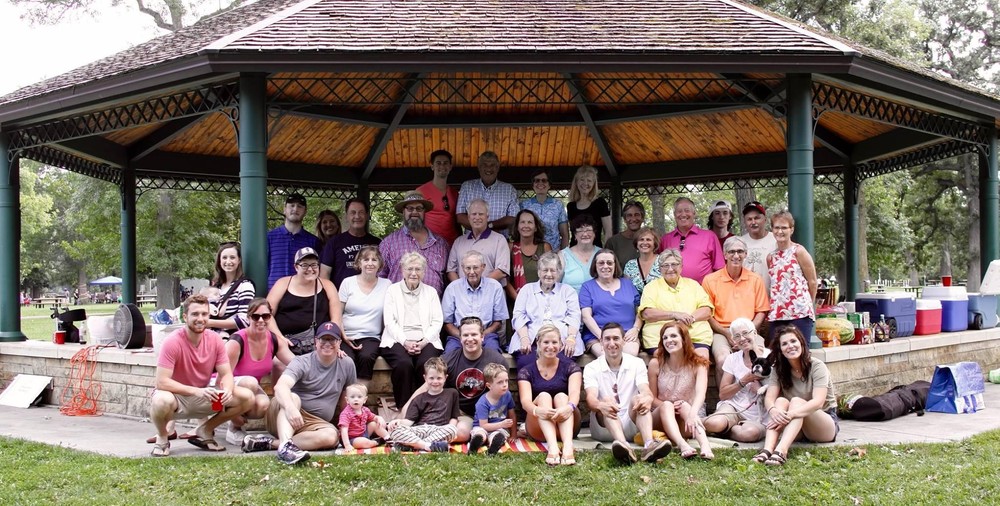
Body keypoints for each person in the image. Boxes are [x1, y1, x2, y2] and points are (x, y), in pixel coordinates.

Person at [148, 294, 254, 457]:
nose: (200, 318)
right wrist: (196, 391)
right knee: (160, 400)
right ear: (185, 317)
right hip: (177, 399)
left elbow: (226, 374)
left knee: (247, 397)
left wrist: (227, 389)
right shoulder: (172, 342)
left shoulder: (215, 340)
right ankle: (162, 437)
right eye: (195, 314)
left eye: (204, 314)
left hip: (204, 396)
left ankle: (205, 429)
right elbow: (161, 382)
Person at [241, 321, 357, 465]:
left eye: (332, 339)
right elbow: (281, 386)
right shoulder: (302, 362)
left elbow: (347, 398)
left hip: (314, 424)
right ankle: (285, 447)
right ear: (316, 341)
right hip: (285, 414)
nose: (327, 343)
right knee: (293, 397)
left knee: (331, 437)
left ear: (339, 343)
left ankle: (272, 444)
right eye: (323, 339)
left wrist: (350, 426)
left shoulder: (347, 364)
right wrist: (291, 409)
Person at [400, 316, 507, 444]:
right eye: (465, 335)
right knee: (461, 432)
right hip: (461, 414)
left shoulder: (497, 360)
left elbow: (504, 393)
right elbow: (426, 386)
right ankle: (423, 439)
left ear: (482, 337)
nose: (470, 339)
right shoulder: (448, 360)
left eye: (474, 334)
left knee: (466, 433)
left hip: (487, 413)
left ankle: (418, 439)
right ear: (460, 338)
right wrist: (405, 411)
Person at [585, 323, 673, 465]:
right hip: (605, 427)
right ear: (601, 342)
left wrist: (647, 398)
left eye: (616, 338)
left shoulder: (637, 363)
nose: (612, 343)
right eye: (607, 339)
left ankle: (649, 445)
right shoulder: (591, 367)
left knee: (639, 398)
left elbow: (645, 390)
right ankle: (623, 445)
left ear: (623, 341)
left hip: (633, 424)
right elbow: (591, 398)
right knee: (606, 400)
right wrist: (601, 406)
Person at [753, 326, 838, 466]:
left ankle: (781, 451)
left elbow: (818, 402)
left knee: (797, 402)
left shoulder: (817, 366)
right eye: (784, 344)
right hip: (796, 426)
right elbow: (769, 399)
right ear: (780, 349)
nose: (790, 346)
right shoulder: (779, 369)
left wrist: (790, 414)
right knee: (780, 401)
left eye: (793, 341)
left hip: (822, 424)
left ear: (801, 343)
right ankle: (767, 450)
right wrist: (773, 411)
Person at [223, 298, 295, 445]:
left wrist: (321, 360)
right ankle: (233, 426)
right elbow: (223, 378)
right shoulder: (237, 341)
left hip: (249, 389)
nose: (261, 320)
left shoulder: (274, 340)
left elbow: (296, 364)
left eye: (266, 316)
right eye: (256, 317)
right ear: (248, 318)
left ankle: (238, 424)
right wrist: (232, 415)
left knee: (263, 404)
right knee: (250, 382)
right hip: (224, 387)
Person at [380, 251, 444, 409]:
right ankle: (404, 407)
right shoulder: (392, 291)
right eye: (410, 269)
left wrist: (423, 342)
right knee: (404, 364)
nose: (414, 273)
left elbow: (437, 321)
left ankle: (426, 407)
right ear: (402, 270)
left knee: (426, 364)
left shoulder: (431, 292)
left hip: (426, 339)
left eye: (418, 269)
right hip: (397, 339)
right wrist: (405, 341)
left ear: (424, 271)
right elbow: (389, 321)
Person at [702, 236, 769, 386]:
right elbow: (708, 314)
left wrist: (746, 333)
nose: (736, 255)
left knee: (761, 358)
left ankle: (758, 396)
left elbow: (761, 311)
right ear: (725, 255)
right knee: (722, 360)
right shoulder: (710, 280)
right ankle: (725, 396)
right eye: (731, 252)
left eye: (740, 251)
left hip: (749, 330)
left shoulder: (755, 279)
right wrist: (727, 333)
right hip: (722, 331)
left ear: (746, 254)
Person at [517, 325, 582, 466]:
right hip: (539, 426)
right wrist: (537, 410)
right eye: (546, 342)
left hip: (567, 421)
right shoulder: (526, 371)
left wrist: (568, 407)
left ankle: (568, 446)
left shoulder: (571, 367)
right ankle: (552, 447)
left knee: (562, 396)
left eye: (554, 342)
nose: (550, 346)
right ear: (538, 344)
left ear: (561, 344)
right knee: (543, 396)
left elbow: (575, 394)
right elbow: (525, 401)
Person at [648, 322, 713, 460]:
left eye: (673, 336)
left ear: (684, 339)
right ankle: (683, 445)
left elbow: (701, 393)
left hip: (687, 418)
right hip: (661, 417)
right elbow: (652, 398)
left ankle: (705, 446)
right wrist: (671, 406)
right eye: (665, 338)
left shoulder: (698, 364)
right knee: (667, 405)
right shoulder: (656, 364)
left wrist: (693, 413)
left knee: (684, 406)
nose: (669, 340)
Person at [702, 318, 769, 443]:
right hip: (733, 407)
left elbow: (779, 392)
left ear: (755, 333)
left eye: (745, 333)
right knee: (714, 423)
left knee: (750, 433)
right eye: (737, 336)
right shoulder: (732, 359)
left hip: (759, 415)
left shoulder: (770, 357)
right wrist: (743, 381)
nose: (742, 338)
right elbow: (723, 394)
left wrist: (760, 390)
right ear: (734, 340)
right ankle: (717, 425)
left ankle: (724, 430)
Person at [511, 251, 582, 367]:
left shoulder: (568, 291)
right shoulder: (526, 290)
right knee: (527, 362)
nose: (549, 274)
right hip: (531, 339)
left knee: (563, 362)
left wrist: (571, 338)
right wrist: (524, 338)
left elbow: (574, 316)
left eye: (553, 270)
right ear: (539, 272)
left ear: (558, 272)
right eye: (545, 270)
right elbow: (518, 316)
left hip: (562, 340)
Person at [638, 249, 714, 358]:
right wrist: (674, 315)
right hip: (660, 338)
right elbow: (647, 313)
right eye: (665, 265)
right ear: (660, 269)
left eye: (674, 264)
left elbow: (707, 310)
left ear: (681, 267)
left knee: (700, 361)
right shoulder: (651, 287)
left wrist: (689, 319)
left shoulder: (693, 285)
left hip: (694, 336)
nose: (670, 269)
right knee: (668, 361)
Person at [266, 247, 342, 356]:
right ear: (296, 267)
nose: (310, 269)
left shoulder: (328, 285)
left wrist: (332, 341)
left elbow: (336, 319)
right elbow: (267, 314)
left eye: (314, 265)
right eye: (305, 265)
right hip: (285, 344)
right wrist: (280, 338)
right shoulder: (282, 283)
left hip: (318, 345)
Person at [337, 245, 391, 384]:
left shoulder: (387, 285)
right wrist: (343, 336)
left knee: (366, 357)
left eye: (374, 260)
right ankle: (345, 395)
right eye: (366, 259)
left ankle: (360, 394)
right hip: (346, 335)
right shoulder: (347, 283)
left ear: (380, 264)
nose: (370, 263)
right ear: (359, 263)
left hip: (371, 337)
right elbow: (337, 313)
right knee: (346, 359)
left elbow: (391, 315)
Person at [379, 191, 449, 296]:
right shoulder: (388, 243)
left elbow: (447, 279)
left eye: (419, 208)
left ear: (424, 211)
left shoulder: (441, 244)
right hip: (398, 304)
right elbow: (379, 278)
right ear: (403, 211)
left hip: (431, 304)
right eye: (410, 208)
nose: (415, 212)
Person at [386, 357, 460, 452]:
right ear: (425, 378)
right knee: (394, 431)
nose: (435, 382)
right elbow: (409, 422)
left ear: (445, 378)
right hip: (420, 429)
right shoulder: (418, 398)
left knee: (452, 430)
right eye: (431, 378)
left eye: (439, 378)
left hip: (439, 430)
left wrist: (451, 428)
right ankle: (427, 446)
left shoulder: (452, 393)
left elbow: (454, 417)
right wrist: (398, 422)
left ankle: (412, 446)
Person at [767, 210, 818, 343]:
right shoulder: (771, 257)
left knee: (800, 350)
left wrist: (806, 304)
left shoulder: (799, 251)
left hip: (799, 313)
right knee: (777, 351)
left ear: (791, 229)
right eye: (776, 227)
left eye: (784, 228)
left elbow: (812, 282)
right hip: (777, 314)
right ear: (772, 229)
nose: (780, 231)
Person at [442, 251, 508, 353]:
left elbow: (498, 322)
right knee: (450, 355)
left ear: (483, 267)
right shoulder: (452, 288)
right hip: (458, 335)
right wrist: (463, 336)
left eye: (475, 267)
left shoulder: (495, 287)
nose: (472, 272)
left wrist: (480, 335)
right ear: (462, 268)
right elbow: (447, 323)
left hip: (486, 335)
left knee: (493, 353)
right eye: (468, 268)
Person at [579, 249, 642, 358]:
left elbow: (640, 312)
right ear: (595, 266)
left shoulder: (627, 284)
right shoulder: (587, 287)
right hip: (598, 335)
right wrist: (603, 337)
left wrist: (636, 329)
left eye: (609, 263)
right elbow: (586, 316)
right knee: (608, 356)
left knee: (630, 355)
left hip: (627, 334)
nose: (605, 266)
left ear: (615, 265)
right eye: (601, 263)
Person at [659, 197, 724, 284]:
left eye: (687, 210)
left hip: (703, 290)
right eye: (679, 211)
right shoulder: (665, 239)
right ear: (674, 214)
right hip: (672, 290)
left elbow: (720, 269)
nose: (683, 214)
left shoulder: (709, 236)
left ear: (694, 213)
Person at [320, 198, 382, 289]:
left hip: (372, 295)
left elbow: (383, 272)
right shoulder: (334, 242)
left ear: (366, 215)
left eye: (361, 212)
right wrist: (329, 296)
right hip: (340, 296)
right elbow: (324, 274)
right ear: (347, 216)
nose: (357, 216)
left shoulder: (377, 243)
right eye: (353, 213)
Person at [446, 199, 510, 284]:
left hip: (490, 290)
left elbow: (501, 271)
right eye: (474, 214)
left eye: (481, 214)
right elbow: (451, 270)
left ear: (487, 217)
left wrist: (480, 286)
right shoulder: (458, 241)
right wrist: (462, 288)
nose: (477, 217)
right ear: (468, 217)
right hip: (462, 291)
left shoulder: (499, 240)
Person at [456, 151, 518, 237]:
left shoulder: (509, 189)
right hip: (472, 240)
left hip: (500, 241)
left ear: (497, 168)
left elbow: (513, 218)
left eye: (492, 165)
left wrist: (489, 226)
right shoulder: (467, 186)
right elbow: (460, 216)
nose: (488, 168)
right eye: (484, 165)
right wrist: (483, 229)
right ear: (479, 167)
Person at [267, 193, 320, 289]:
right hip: (273, 292)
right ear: (284, 209)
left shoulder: (313, 241)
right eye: (292, 205)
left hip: (303, 293)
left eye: (300, 206)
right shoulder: (269, 237)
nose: (295, 209)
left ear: (305, 211)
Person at [206, 241, 256, 337]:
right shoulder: (216, 287)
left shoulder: (245, 286)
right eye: (224, 258)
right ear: (219, 260)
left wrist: (209, 323)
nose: (228, 262)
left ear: (239, 260)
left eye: (232, 257)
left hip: (231, 339)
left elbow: (244, 322)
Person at [468, 362, 517, 456]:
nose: (505, 385)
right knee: (480, 434)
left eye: (506, 381)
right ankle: (475, 444)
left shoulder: (507, 395)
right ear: (489, 386)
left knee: (499, 435)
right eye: (500, 382)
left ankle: (493, 448)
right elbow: (484, 425)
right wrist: (502, 424)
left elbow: (512, 416)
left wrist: (514, 434)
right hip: (482, 427)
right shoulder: (482, 402)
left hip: (499, 428)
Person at [506, 209, 552, 302]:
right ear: (517, 227)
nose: (526, 225)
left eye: (530, 222)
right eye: (522, 222)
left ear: (536, 228)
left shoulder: (545, 247)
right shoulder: (510, 247)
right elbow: (505, 280)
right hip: (516, 302)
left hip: (541, 301)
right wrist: (520, 300)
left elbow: (551, 276)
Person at [417, 149, 461, 246]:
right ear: (432, 166)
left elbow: (458, 221)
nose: (442, 166)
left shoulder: (455, 193)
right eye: (438, 163)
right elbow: (415, 220)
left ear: (450, 167)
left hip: (452, 244)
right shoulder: (421, 192)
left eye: (445, 163)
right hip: (431, 244)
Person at [520, 168, 568, 251]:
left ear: (549, 185)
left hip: (554, 253)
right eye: (537, 180)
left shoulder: (558, 205)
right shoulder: (524, 205)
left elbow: (565, 234)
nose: (540, 183)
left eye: (544, 180)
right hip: (530, 253)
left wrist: (564, 254)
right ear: (533, 185)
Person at [567, 165, 612, 247]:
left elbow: (608, 231)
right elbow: (573, 232)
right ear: (576, 182)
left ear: (594, 184)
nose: (585, 183)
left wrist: (606, 251)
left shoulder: (600, 203)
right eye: (582, 180)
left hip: (596, 250)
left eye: (589, 180)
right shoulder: (571, 206)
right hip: (574, 250)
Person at [740, 200, 777, 294]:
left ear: (765, 219)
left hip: (772, 297)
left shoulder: (776, 240)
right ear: (744, 222)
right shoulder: (739, 243)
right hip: (746, 296)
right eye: (749, 219)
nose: (753, 222)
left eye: (757, 218)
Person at [338, 383, 388, 451]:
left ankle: (388, 438)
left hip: (363, 433)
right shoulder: (346, 414)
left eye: (359, 397)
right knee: (365, 442)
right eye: (352, 397)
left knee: (374, 424)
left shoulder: (365, 410)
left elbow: (373, 417)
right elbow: (343, 430)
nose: (356, 399)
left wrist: (379, 418)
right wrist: (347, 445)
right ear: (347, 400)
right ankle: (376, 442)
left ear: (364, 400)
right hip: (351, 439)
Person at [560, 214, 599, 291]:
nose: (585, 234)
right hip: (569, 298)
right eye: (580, 230)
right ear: (575, 234)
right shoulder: (563, 256)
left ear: (594, 233)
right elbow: (554, 284)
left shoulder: (602, 254)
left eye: (588, 230)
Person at [605, 200, 645, 267]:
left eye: (637, 215)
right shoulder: (613, 242)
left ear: (642, 218)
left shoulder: (650, 241)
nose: (633, 219)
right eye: (629, 215)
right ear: (625, 219)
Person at [623, 226, 661, 295]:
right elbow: (626, 290)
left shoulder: (663, 262)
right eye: (641, 239)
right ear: (636, 244)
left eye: (648, 240)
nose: (644, 242)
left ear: (654, 244)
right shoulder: (630, 265)